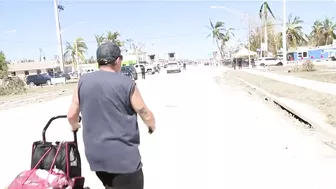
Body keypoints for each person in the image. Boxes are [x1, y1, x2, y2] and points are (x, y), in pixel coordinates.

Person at [67, 41, 156, 189]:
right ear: (118, 60)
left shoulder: (82, 81)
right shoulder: (127, 83)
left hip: (96, 159)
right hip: (124, 160)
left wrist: (75, 125)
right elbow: (144, 113)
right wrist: (151, 126)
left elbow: (71, 115)